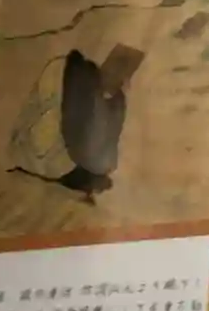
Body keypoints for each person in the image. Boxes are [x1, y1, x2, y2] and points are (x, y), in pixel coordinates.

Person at [8, 44, 146, 202]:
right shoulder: (63, 73)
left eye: (124, 72)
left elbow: (108, 154)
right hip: (43, 157)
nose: (119, 76)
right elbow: (46, 138)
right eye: (116, 65)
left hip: (67, 165)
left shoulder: (115, 101)